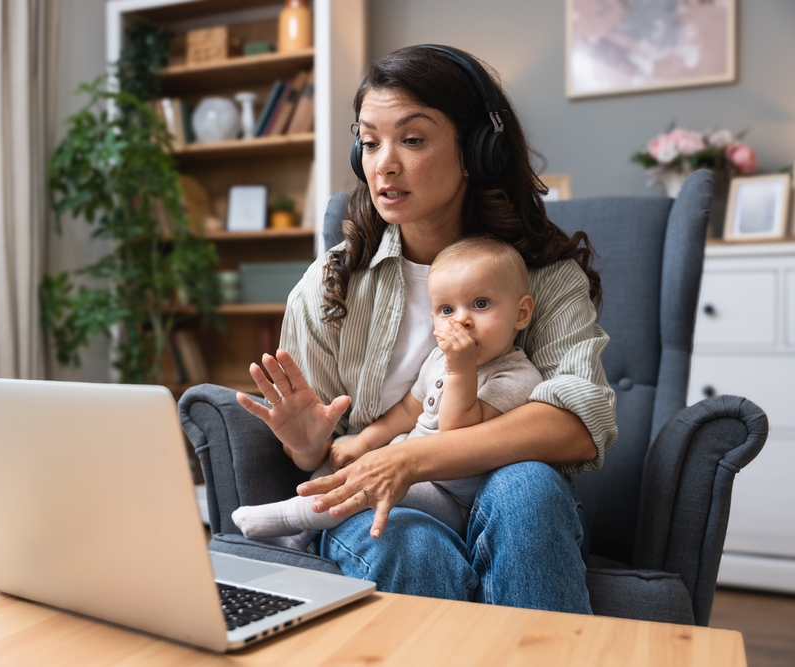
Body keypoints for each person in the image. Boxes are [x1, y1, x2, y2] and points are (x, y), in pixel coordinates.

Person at [235, 44, 617, 614]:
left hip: (500, 494)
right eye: (369, 142)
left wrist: (414, 458)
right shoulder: (328, 284)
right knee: (402, 538)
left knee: (529, 488)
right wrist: (307, 439)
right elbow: (321, 455)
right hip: (380, 507)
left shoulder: (544, 275)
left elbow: (579, 424)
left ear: (475, 152)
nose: (384, 163)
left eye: (412, 140)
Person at [232, 237, 543, 545]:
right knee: (345, 449)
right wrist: (364, 442)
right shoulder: (438, 358)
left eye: (480, 304)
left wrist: (460, 370)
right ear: (433, 319)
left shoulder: (517, 376)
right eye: (447, 309)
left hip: (453, 495)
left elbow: (457, 434)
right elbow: (409, 410)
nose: (461, 320)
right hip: (408, 463)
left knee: (367, 486)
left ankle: (289, 519)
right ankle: (302, 536)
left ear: (521, 313)